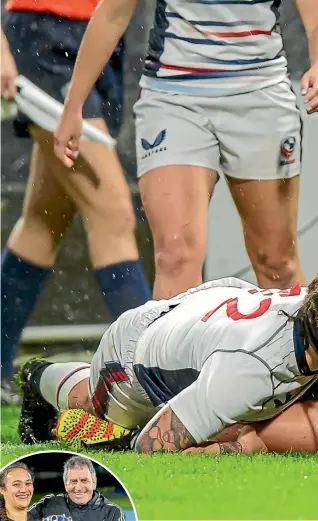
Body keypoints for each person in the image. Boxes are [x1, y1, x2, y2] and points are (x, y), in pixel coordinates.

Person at [54, 0, 318, 300]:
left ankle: (299, 346)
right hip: (172, 98)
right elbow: (113, 12)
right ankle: (169, 348)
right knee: (174, 256)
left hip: (261, 96)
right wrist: (73, 104)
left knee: (276, 263)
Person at [1, 0, 151, 400]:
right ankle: (149, 375)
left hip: (103, 38)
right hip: (45, 36)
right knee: (113, 212)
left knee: (43, 221)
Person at [18, 275, 318, 453]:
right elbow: (149, 445)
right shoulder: (248, 372)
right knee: (92, 402)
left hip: (209, 319)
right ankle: (38, 375)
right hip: (131, 362)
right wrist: (237, 448)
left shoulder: (309, 308)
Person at [28, 455, 125, 521]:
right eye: (73, 481)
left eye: (84, 480)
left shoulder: (112, 512)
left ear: (94, 483)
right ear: (66, 485)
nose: (78, 488)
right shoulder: (48, 504)